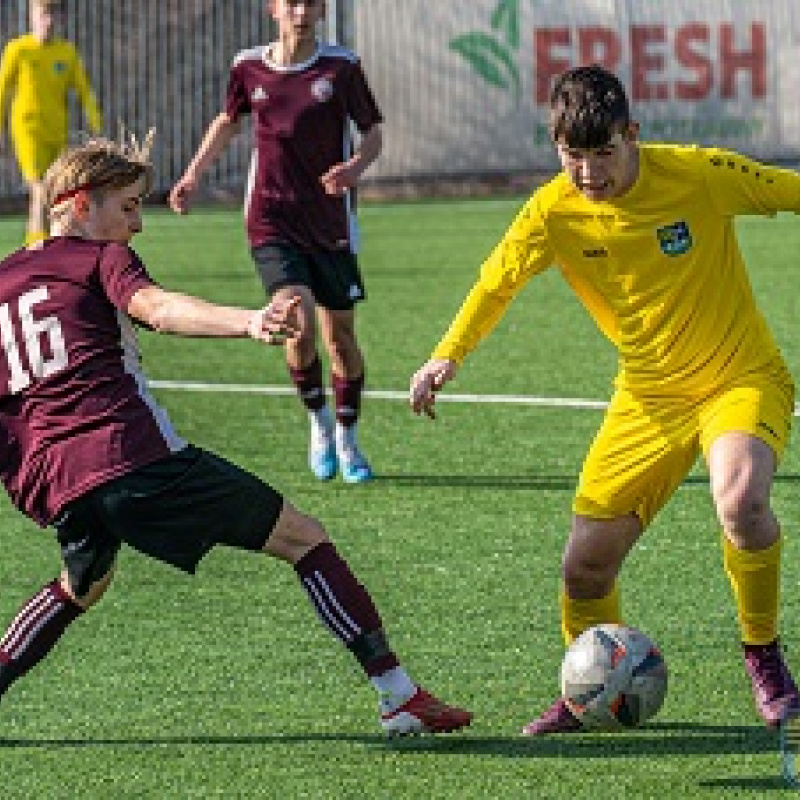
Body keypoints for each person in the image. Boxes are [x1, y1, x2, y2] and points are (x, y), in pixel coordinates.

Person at [0, 132, 472, 738]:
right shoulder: (99, 258)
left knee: (81, 585)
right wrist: (249, 322)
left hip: (60, 478)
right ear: (82, 202)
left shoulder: (7, 277)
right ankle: (398, 694)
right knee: (304, 539)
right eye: (129, 206)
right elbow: (161, 309)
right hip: (131, 456)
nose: (138, 225)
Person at [409, 64, 800, 736]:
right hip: (647, 398)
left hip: (738, 379)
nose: (588, 172)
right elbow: (496, 281)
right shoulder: (552, 210)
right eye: (572, 155)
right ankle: (584, 693)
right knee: (584, 568)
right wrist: (449, 353)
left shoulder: (700, 174)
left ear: (634, 134)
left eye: (603, 153)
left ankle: (763, 654)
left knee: (741, 502)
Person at [169, 0, 382, 484]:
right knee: (298, 324)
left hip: (330, 223)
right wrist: (193, 174)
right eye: (292, 3)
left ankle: (349, 437)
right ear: (273, 8)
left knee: (340, 338)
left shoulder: (341, 67)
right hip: (271, 221)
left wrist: (355, 168)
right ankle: (319, 426)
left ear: (322, 10)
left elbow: (372, 132)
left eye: (311, 3)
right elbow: (228, 120)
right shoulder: (247, 66)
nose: (301, 12)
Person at [0, 0, 102, 245]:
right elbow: (2, 90)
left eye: (53, 15)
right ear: (32, 17)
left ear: (61, 20)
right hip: (27, 130)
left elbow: (84, 92)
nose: (48, 21)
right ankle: (36, 248)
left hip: (56, 132)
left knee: (56, 191)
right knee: (40, 187)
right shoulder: (18, 50)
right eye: (43, 14)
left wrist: (95, 125)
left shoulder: (66, 53)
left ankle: (45, 244)